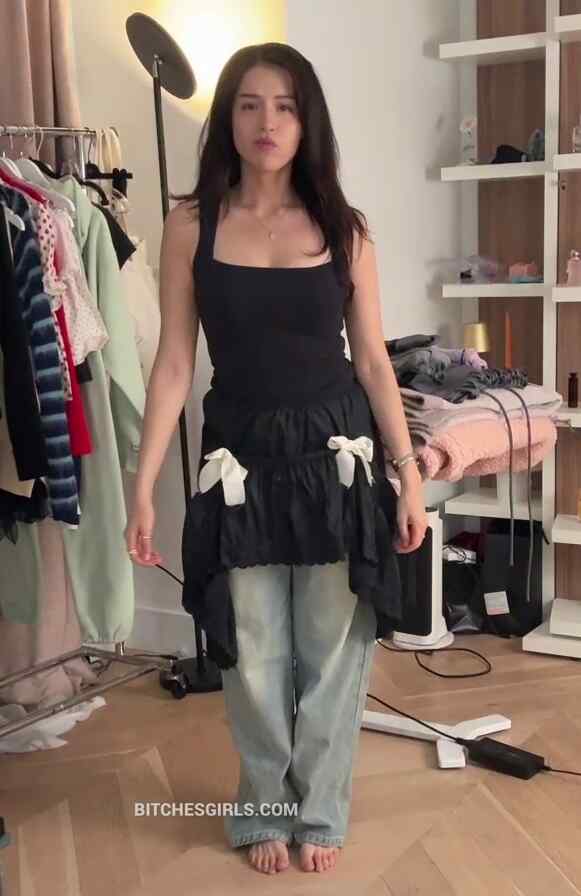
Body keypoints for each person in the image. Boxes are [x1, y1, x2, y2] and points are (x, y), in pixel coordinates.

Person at [125, 42, 427, 876]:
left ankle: (319, 808)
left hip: (335, 458)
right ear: (228, 117)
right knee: (254, 651)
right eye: (251, 104)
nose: (267, 122)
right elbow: (174, 364)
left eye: (285, 106)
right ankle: (264, 803)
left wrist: (407, 477)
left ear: (306, 121)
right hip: (240, 460)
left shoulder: (344, 229)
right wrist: (143, 487)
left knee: (332, 647)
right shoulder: (190, 225)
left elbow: (374, 364)